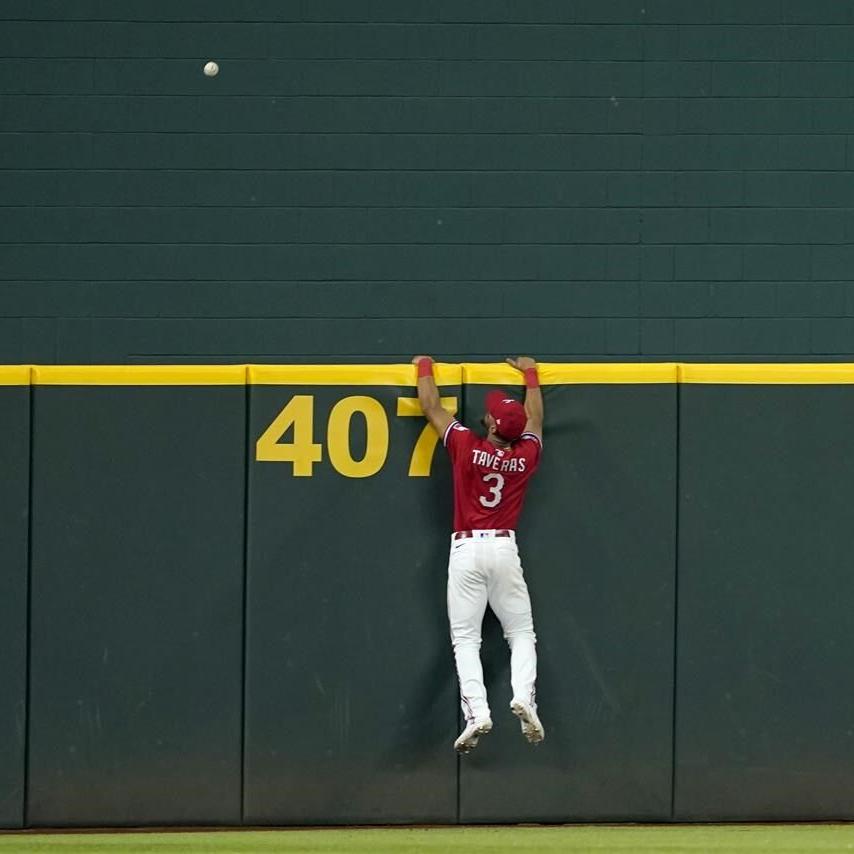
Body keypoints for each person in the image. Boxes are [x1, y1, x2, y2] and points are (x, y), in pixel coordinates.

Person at [413, 355, 545, 754]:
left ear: (489, 425)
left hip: (467, 548)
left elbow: (431, 407)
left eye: (489, 414)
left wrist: (424, 367)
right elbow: (536, 421)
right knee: (521, 634)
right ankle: (524, 696)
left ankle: (478, 713)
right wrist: (531, 373)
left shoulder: (465, 445)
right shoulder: (526, 455)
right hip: (504, 548)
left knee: (466, 640)